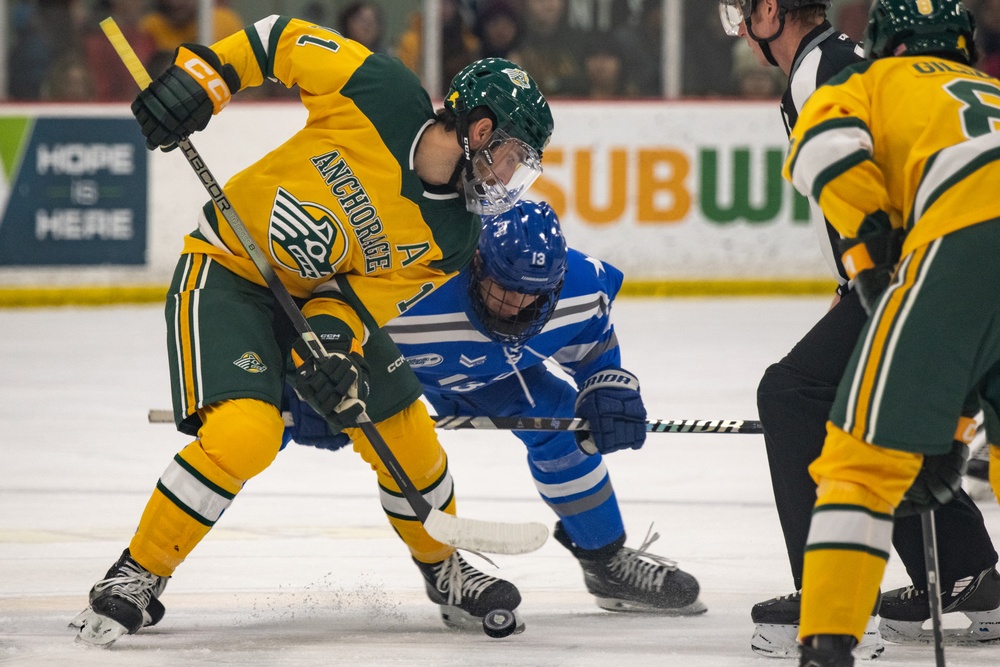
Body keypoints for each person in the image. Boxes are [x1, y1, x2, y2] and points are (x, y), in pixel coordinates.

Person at [70, 15, 553, 647]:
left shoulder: (454, 237)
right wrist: (205, 79)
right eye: (515, 156)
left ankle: (445, 567)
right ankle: (139, 571)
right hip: (227, 273)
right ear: (481, 132)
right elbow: (277, 40)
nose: (511, 175)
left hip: (309, 302)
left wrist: (331, 351)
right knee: (246, 433)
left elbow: (353, 300)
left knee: (406, 428)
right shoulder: (381, 90)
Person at [719, 0, 1000, 658]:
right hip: (940, 256)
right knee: (881, 408)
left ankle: (824, 601)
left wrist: (871, 274)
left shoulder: (836, 69)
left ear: (768, 11)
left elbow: (844, 162)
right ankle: (966, 572)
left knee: (794, 395)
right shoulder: (832, 65)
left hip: (926, 257)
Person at [287, 199, 706, 615]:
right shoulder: (417, 278)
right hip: (385, 365)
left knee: (565, 426)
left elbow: (594, 350)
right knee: (276, 420)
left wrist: (607, 387)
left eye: (532, 295)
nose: (514, 306)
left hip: (492, 374)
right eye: (503, 287)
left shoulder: (581, 286)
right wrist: (303, 379)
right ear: (476, 266)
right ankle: (441, 566)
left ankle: (606, 562)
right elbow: (330, 312)